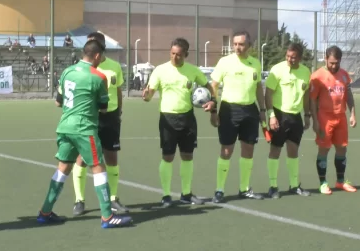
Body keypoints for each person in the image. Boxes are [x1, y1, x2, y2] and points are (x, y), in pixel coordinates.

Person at [37, 39, 133, 228]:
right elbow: (104, 108)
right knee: (98, 167)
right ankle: (107, 216)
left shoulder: (67, 72)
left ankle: (45, 212)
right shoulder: (98, 77)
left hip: (65, 126)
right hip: (84, 128)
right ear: (97, 56)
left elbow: (58, 102)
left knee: (63, 169)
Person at [143, 38, 215, 207]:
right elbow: (150, 93)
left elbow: (209, 87)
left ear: (186, 55)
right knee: (167, 157)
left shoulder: (193, 71)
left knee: (188, 156)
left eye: (179, 55)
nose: (175, 57)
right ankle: (166, 195)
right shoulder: (160, 70)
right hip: (168, 119)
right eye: (173, 53)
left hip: (188, 118)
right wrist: (146, 95)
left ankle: (186, 194)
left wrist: (212, 102)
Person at [72, 32, 126, 216]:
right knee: (82, 158)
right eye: (89, 44)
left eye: (94, 44)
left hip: (110, 118)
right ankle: (79, 200)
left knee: (111, 158)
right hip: (89, 117)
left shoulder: (114, 67)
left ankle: (113, 199)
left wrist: (119, 112)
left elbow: (118, 91)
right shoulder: (82, 68)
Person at [210, 30, 267, 202]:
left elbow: (258, 87)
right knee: (226, 150)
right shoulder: (224, 62)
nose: (237, 47)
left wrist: (262, 110)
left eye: (241, 44)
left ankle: (244, 189)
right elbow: (214, 84)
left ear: (249, 45)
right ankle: (219, 190)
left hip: (250, 110)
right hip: (229, 110)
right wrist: (214, 109)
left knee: (248, 150)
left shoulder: (255, 63)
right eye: (235, 44)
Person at [264, 43, 312, 198]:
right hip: (279, 115)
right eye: (288, 56)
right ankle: (273, 187)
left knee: (293, 151)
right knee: (275, 150)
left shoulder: (306, 72)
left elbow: (306, 96)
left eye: (293, 57)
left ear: (300, 57)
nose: (290, 59)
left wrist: (307, 115)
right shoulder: (277, 69)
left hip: (296, 117)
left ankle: (294, 185)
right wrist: (271, 115)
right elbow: (268, 94)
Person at [309, 45, 357, 194]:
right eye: (331, 63)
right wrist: (315, 121)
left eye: (336, 63)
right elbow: (312, 100)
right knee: (324, 149)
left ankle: (340, 181)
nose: (334, 65)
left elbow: (348, 95)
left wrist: (353, 113)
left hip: (340, 117)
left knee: (342, 149)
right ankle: (323, 183)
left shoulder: (344, 75)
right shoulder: (317, 76)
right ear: (325, 59)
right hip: (325, 117)